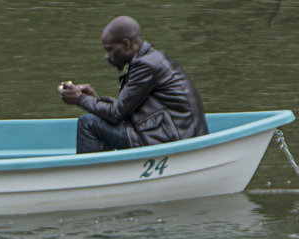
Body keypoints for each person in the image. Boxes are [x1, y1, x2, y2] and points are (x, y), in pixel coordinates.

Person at [59, 15, 208, 154]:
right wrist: (94, 98)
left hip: (173, 139)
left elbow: (116, 114)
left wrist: (80, 99)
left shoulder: (146, 65)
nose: (106, 56)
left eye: (109, 50)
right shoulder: (153, 59)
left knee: (88, 123)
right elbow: (126, 108)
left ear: (126, 45)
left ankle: (92, 178)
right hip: (177, 134)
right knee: (97, 118)